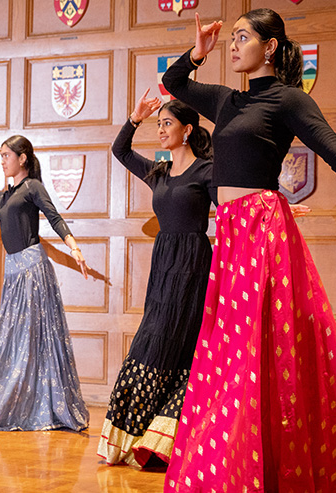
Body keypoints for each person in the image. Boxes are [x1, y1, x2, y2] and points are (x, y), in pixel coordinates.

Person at [161, 9, 336, 492]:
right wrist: (197, 53)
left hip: (262, 234)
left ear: (269, 47)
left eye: (242, 37)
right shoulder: (227, 101)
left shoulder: (289, 100)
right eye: (230, 39)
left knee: (261, 352)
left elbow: (332, 147)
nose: (232, 46)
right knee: (229, 354)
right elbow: (175, 83)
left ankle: (271, 467)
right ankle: (234, 465)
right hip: (230, 235)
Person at [98, 93, 216, 468]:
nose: (161, 129)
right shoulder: (160, 173)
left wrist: (274, 207)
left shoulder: (206, 171)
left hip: (194, 264)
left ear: (187, 130)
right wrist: (135, 118)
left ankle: (165, 441)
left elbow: (230, 208)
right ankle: (141, 438)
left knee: (182, 344)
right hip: (164, 262)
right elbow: (121, 150)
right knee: (153, 339)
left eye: (168, 123)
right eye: (159, 124)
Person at [0, 135, 90, 431]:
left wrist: (73, 246)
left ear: (22, 158)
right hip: (13, 274)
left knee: (33, 338)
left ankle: (39, 403)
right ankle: (21, 398)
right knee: (13, 338)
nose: (2, 161)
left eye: (5, 156)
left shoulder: (32, 187)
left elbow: (54, 217)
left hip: (32, 271)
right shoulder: (3, 197)